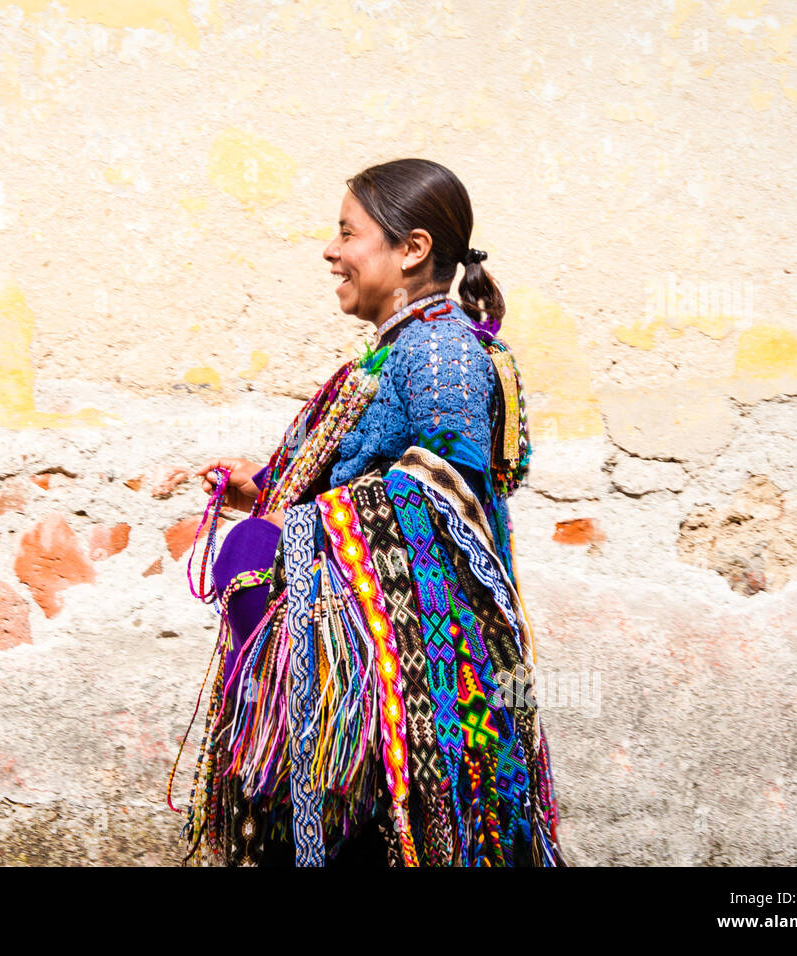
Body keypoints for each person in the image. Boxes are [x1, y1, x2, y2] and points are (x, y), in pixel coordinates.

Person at [179, 159, 564, 867]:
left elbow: (446, 489)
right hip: (375, 679)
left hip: (418, 686)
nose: (330, 251)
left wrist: (284, 533)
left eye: (347, 233)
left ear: (412, 249)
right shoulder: (399, 348)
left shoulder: (440, 348)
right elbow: (372, 472)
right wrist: (266, 488)